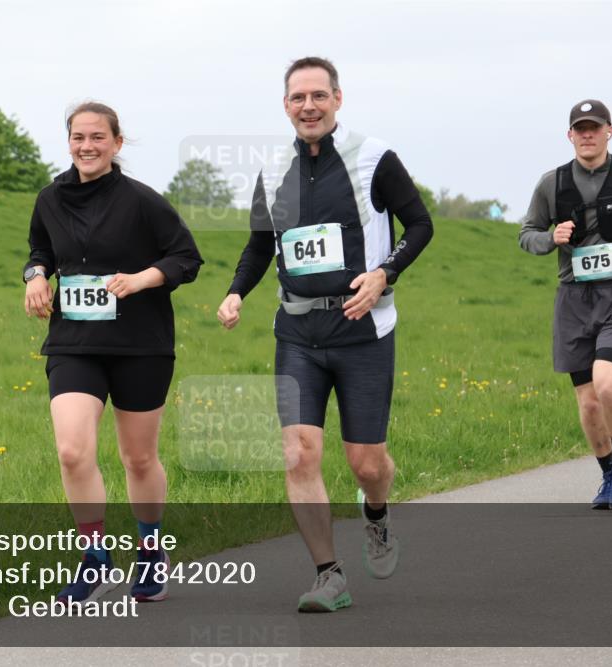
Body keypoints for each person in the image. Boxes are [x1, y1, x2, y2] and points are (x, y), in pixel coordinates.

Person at [216, 57, 433, 612]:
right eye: (297, 98)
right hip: (297, 333)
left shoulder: (374, 158)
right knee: (298, 454)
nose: (308, 106)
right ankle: (327, 574)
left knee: (366, 462)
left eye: (318, 96)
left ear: (338, 98)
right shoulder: (271, 169)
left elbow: (421, 225)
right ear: (285, 105)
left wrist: (386, 272)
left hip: (363, 329)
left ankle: (377, 515)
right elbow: (262, 245)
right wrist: (237, 290)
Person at [23, 101, 203, 603]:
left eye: (98, 137)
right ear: (69, 142)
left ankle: (150, 551)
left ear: (117, 143)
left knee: (138, 457)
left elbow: (186, 258)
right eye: (78, 137)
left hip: (140, 344)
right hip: (75, 341)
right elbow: (39, 251)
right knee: (72, 450)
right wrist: (35, 277)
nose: (87, 146)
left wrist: (143, 279)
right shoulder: (49, 199)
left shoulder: (143, 201)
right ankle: (95, 558)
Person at [519, 99, 612, 510]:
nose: (587, 134)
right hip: (573, 300)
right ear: (570, 135)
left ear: (609, 131)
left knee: (607, 385)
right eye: (579, 128)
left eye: (594, 127)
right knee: (587, 402)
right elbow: (527, 233)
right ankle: (609, 476)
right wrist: (551, 238)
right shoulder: (552, 183)